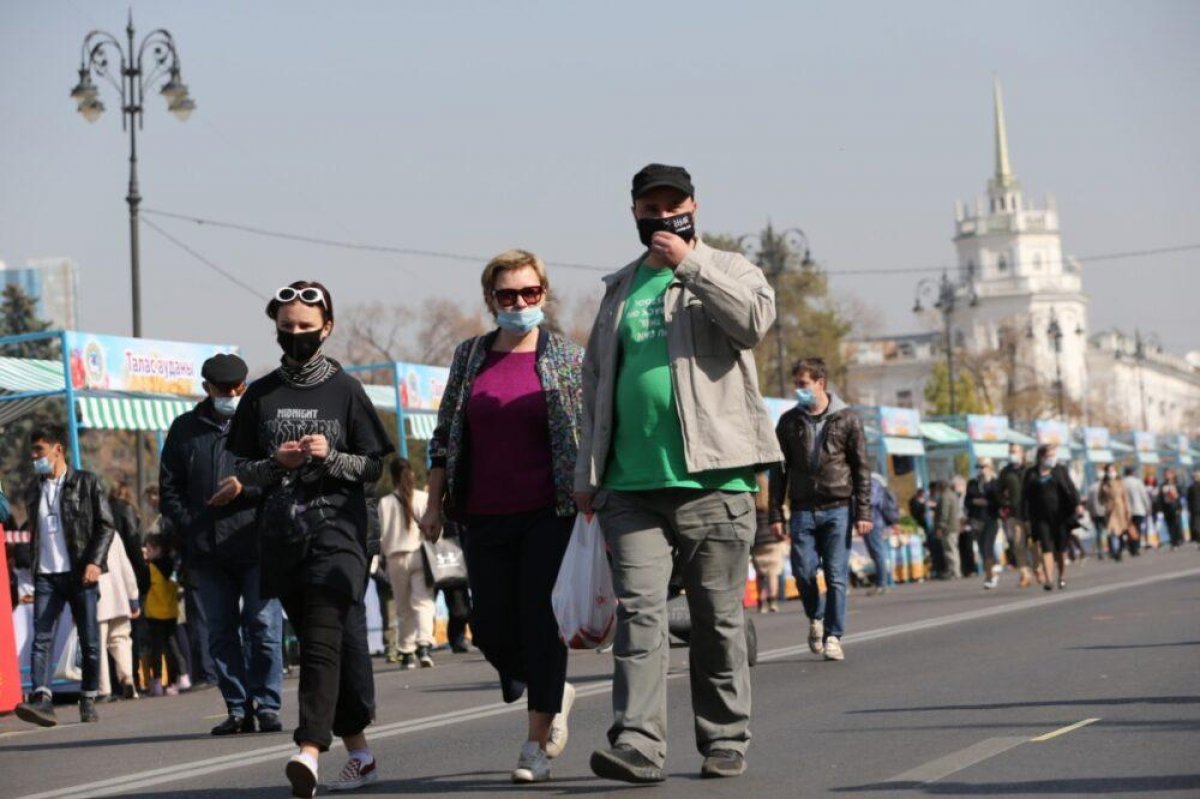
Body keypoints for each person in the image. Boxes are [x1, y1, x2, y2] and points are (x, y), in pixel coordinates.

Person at [577, 164, 781, 783]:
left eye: (673, 205)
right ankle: (638, 743)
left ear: (693, 206)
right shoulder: (620, 288)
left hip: (715, 482)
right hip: (631, 486)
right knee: (639, 615)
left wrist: (689, 265)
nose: (661, 216)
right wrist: (588, 474)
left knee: (717, 619)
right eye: (650, 207)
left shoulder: (732, 269)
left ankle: (724, 738)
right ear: (634, 214)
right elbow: (594, 384)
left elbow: (751, 323)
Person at [422, 249, 583, 784]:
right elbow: (445, 434)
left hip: (549, 513)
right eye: (508, 295)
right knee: (488, 626)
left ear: (544, 293)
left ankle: (536, 744)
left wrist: (594, 503)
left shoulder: (566, 357)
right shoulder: (470, 356)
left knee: (542, 625)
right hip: (482, 513)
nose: (520, 303)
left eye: (530, 293)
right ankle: (553, 690)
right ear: (491, 300)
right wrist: (432, 501)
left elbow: (585, 437)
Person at [228, 280, 394, 797]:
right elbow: (241, 471)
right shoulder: (260, 394)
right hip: (283, 536)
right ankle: (361, 751)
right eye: (287, 328)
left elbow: (374, 467)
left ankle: (309, 750)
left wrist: (331, 457)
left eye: (305, 327)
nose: (296, 335)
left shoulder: (346, 390)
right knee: (336, 645)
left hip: (339, 533)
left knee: (322, 640)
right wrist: (276, 462)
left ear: (327, 328)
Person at [160, 352, 285, 735]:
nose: (231, 394)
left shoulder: (262, 424)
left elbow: (280, 477)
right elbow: (169, 490)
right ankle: (237, 707)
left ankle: (266, 704)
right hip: (208, 552)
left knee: (263, 626)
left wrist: (244, 488)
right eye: (223, 389)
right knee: (220, 632)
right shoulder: (184, 430)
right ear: (206, 389)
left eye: (237, 388)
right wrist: (192, 527)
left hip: (257, 545)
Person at [13, 424, 116, 727]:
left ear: (57, 449)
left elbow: (105, 525)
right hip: (47, 575)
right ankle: (42, 699)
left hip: (80, 572)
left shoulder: (87, 483)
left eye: (39, 450)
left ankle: (87, 696)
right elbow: (33, 534)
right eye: (32, 451)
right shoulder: (34, 490)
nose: (34, 457)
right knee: (41, 637)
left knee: (89, 639)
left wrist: (95, 562)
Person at [380, 458, 435, 670]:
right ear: (411, 473)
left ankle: (407, 651)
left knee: (402, 607)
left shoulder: (385, 503)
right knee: (423, 602)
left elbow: (382, 536)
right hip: (420, 554)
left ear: (392, 476)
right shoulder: (422, 498)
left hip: (395, 558)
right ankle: (424, 647)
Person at [1023, 444, 1080, 591]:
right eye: (1050, 455)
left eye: (1055, 455)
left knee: (1060, 549)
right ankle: (1049, 579)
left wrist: (1077, 505)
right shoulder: (1032, 473)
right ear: (1041, 457)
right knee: (1046, 547)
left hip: (1061, 516)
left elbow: (1071, 490)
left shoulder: (1060, 471)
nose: (1053, 458)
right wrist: (1026, 518)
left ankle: (1061, 576)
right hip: (1041, 517)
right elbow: (1025, 497)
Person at [97, 530, 140, 701]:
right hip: (119, 594)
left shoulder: (82, 532)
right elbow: (125, 566)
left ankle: (103, 689)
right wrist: (133, 596)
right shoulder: (113, 533)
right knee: (121, 639)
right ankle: (127, 677)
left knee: (97, 644)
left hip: (97, 597)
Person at [143, 533, 186, 696]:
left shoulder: (151, 568)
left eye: (148, 548)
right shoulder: (172, 565)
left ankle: (157, 683)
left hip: (155, 613)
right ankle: (182, 676)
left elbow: (144, 586)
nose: (146, 551)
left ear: (157, 549)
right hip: (171, 611)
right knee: (173, 646)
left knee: (156, 649)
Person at [997, 445, 1034, 587]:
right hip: (1015, 514)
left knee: (1036, 545)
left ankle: (1038, 568)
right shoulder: (1006, 472)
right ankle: (1025, 574)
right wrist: (1006, 503)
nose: (1012, 454)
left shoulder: (1030, 469)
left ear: (1022, 453)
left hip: (1032, 513)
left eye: (1015, 452)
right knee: (1018, 544)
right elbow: (999, 492)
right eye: (1010, 452)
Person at [750, 472, 787, 613]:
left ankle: (761, 602)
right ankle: (772, 601)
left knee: (760, 574)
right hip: (772, 542)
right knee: (773, 573)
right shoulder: (771, 506)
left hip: (757, 543)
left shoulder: (752, 506)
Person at [967, 459, 1002, 589]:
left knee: (987, 546)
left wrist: (986, 501)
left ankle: (991, 575)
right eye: (978, 467)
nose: (981, 469)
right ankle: (990, 573)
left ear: (990, 467)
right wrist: (976, 501)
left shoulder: (995, 483)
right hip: (977, 520)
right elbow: (968, 501)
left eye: (983, 466)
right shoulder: (973, 483)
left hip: (991, 519)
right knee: (982, 549)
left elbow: (997, 501)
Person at [865, 473, 900, 595]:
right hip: (876, 521)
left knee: (878, 552)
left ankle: (882, 584)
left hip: (873, 521)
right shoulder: (878, 480)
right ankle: (884, 582)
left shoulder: (872, 481)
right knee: (878, 553)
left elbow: (871, 500)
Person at [934, 478, 964, 579]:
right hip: (954, 526)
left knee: (949, 550)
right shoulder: (953, 495)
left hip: (948, 528)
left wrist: (940, 527)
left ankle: (954, 572)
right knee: (954, 549)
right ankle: (956, 571)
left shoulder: (945, 497)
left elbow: (944, 513)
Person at [1099, 466, 1131, 562]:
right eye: (1109, 471)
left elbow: (1125, 497)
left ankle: (1119, 550)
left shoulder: (1120, 482)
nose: (1112, 472)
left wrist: (1127, 509)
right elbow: (1100, 499)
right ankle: (1115, 551)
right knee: (1113, 531)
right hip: (1110, 510)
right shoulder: (1104, 484)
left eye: (1113, 470)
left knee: (1121, 532)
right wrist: (1105, 497)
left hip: (1120, 509)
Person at [1122, 467, 1150, 556]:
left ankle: (1131, 547)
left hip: (1126, 511)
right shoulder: (1138, 482)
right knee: (1137, 529)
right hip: (1138, 509)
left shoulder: (1122, 483)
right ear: (1133, 473)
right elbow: (1144, 495)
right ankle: (1136, 547)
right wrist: (1148, 507)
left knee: (1129, 529)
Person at [1159, 469, 1184, 549]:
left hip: (1175, 507)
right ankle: (1173, 542)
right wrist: (1160, 508)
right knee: (1169, 525)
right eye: (1166, 474)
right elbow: (1160, 497)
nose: (1167, 476)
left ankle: (1176, 541)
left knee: (1176, 525)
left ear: (1172, 475)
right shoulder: (1162, 485)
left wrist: (1177, 497)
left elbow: (1181, 496)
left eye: (1168, 474)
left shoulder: (1176, 484)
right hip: (1166, 508)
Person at [1187, 469, 1200, 550]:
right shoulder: (1191, 487)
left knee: (1196, 526)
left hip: (1194, 509)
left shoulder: (1191, 487)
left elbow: (1189, 500)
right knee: (1196, 526)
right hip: (1195, 509)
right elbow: (1189, 499)